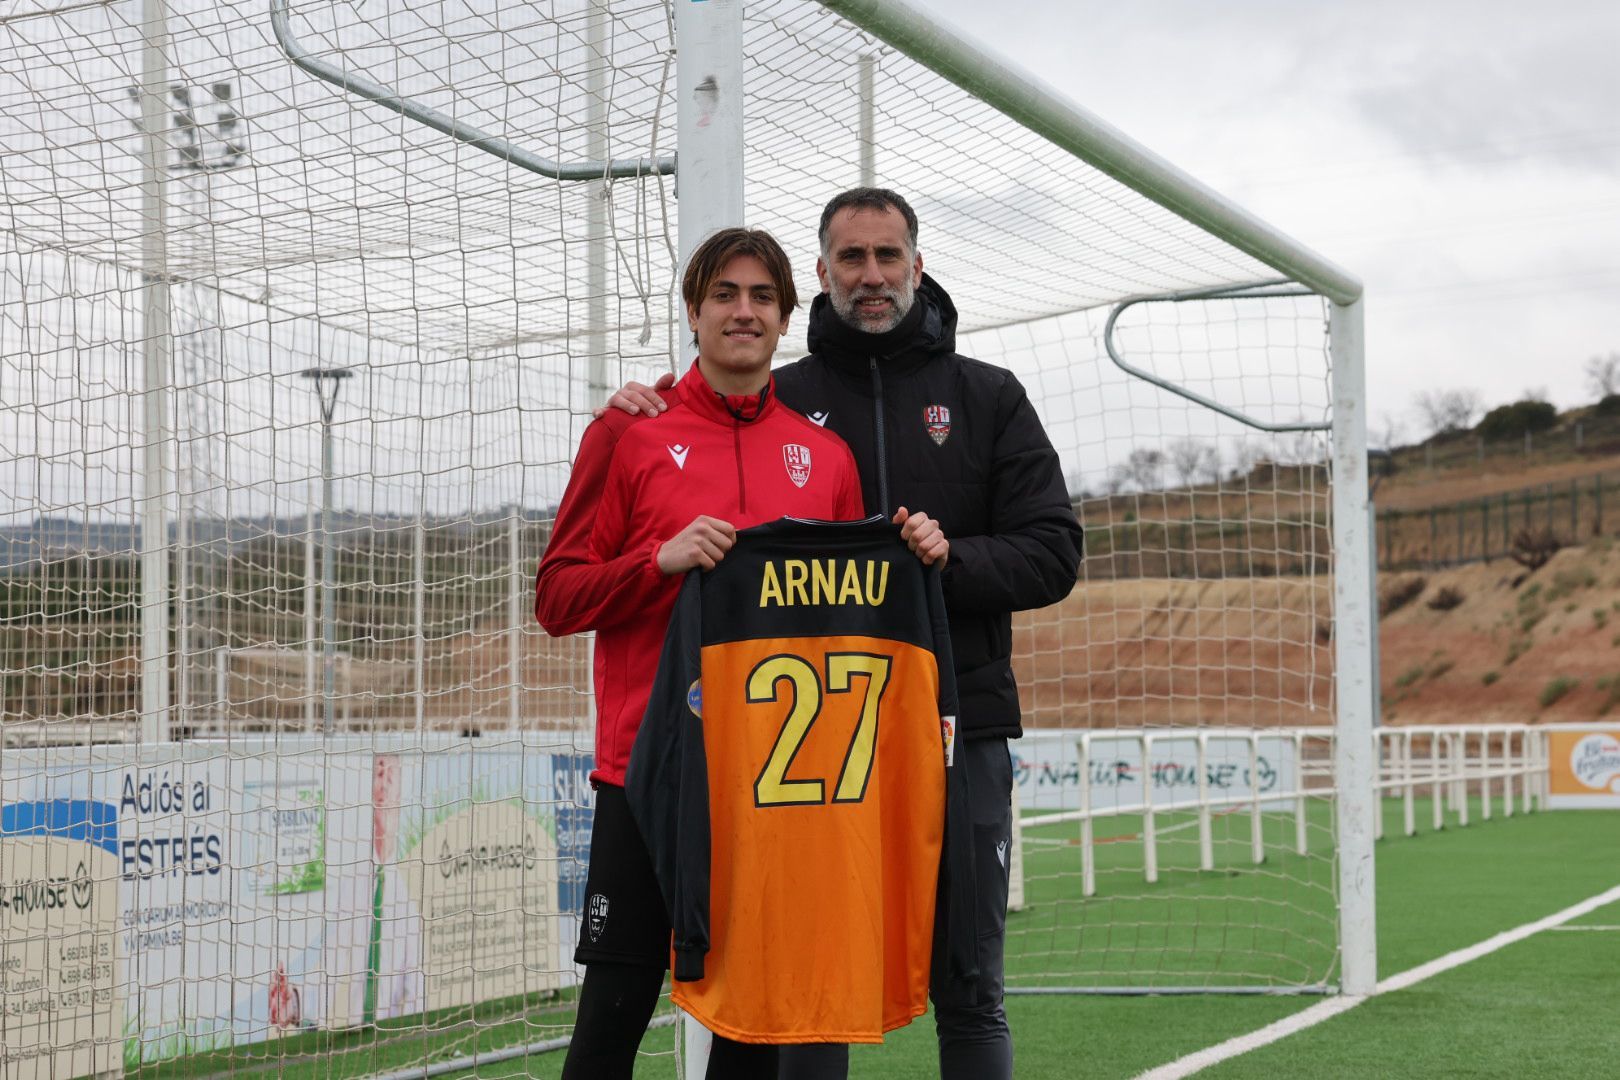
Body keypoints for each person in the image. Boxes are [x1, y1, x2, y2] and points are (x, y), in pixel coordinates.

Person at [605, 188, 1084, 1080]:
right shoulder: (777, 398)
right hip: (807, 751)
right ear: (821, 276)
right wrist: (641, 409)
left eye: (887, 256)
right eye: (851, 260)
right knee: (810, 980)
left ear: (918, 264)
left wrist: (951, 559)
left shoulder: (986, 397)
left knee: (971, 982)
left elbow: (1055, 551)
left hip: (960, 727)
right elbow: (696, 443)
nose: (871, 276)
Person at [535, 225, 946, 1080]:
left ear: (787, 316)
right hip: (646, 777)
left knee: (754, 1032)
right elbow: (557, 599)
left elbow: (844, 628)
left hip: (774, 793)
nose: (743, 312)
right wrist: (659, 562)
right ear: (694, 312)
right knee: (612, 1016)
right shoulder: (627, 436)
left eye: (762, 296)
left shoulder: (826, 458)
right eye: (725, 294)